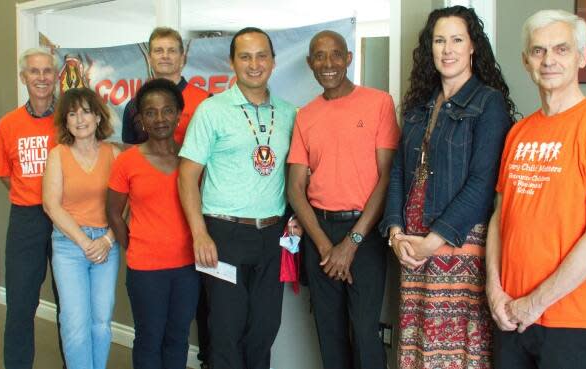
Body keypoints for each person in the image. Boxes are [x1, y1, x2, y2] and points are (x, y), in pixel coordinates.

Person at [379, 6, 517, 369]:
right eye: (439, 40)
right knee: (421, 347)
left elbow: (483, 183)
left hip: (460, 244)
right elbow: (398, 173)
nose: (447, 49)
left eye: (457, 39)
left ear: (473, 47)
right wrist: (396, 232)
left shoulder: (488, 103)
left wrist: (434, 240)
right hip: (413, 246)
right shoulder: (419, 107)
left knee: (456, 354)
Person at [486, 9, 586, 369]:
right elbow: (500, 217)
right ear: (526, 61)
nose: (548, 60)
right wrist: (495, 291)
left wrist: (536, 302)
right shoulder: (519, 132)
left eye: (561, 49)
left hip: (571, 319)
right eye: (538, 51)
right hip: (510, 315)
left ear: (582, 56)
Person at [178, 27, 296, 369]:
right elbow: (187, 178)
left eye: (262, 55)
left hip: (273, 237)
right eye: (245, 56)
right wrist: (200, 234)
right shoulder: (212, 111)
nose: (254, 64)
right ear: (232, 62)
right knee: (225, 332)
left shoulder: (290, 113)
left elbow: (298, 174)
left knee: (264, 329)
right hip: (222, 234)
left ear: (273, 61)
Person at [287, 30, 400, 369]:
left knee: (365, 333)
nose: (328, 64)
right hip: (319, 231)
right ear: (310, 63)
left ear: (348, 57)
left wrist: (351, 243)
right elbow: (295, 188)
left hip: (364, 232)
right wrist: (325, 247)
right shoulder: (305, 115)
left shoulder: (379, 102)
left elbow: (387, 177)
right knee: (329, 331)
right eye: (319, 56)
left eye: (336, 54)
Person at [107, 79, 200, 369]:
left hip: (187, 267)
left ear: (178, 114)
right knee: (149, 338)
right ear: (141, 118)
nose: (160, 118)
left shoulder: (192, 157)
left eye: (167, 110)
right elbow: (113, 214)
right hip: (146, 270)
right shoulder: (127, 161)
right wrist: (133, 246)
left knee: (178, 337)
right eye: (151, 112)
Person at [0, 47, 67, 369]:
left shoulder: (69, 120)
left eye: (47, 71)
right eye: (34, 72)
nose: (41, 77)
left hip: (66, 219)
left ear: (56, 77)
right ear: (24, 77)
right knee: (21, 304)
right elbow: (5, 173)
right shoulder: (8, 124)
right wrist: (31, 195)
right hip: (26, 220)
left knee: (70, 304)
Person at [42, 87, 120, 369]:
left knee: (101, 322)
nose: (79, 119)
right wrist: (85, 243)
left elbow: (126, 205)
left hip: (106, 247)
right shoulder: (58, 155)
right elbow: (52, 205)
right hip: (69, 246)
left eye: (86, 111)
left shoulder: (114, 154)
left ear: (99, 117)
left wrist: (108, 240)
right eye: (72, 114)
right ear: (66, 122)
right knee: (75, 323)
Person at [122, 26, 209, 145]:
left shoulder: (205, 101)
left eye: (172, 51)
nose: (165, 56)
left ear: (182, 58)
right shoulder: (134, 105)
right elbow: (129, 153)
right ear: (149, 59)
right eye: (158, 50)